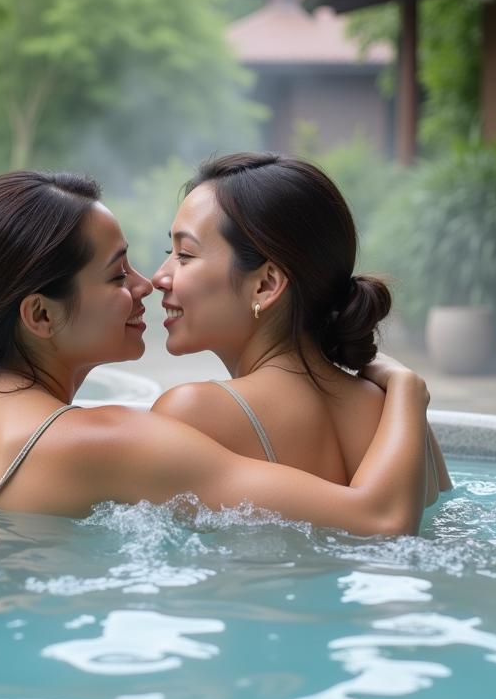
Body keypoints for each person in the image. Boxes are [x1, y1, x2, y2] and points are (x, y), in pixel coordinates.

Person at [0, 170, 433, 536]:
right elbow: (371, 520)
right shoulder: (113, 440)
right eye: (117, 273)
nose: (147, 284)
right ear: (40, 314)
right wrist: (406, 392)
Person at [151, 152, 452, 497]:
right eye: (168, 254)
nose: (159, 277)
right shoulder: (397, 417)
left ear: (265, 285)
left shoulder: (192, 413)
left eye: (185, 255)